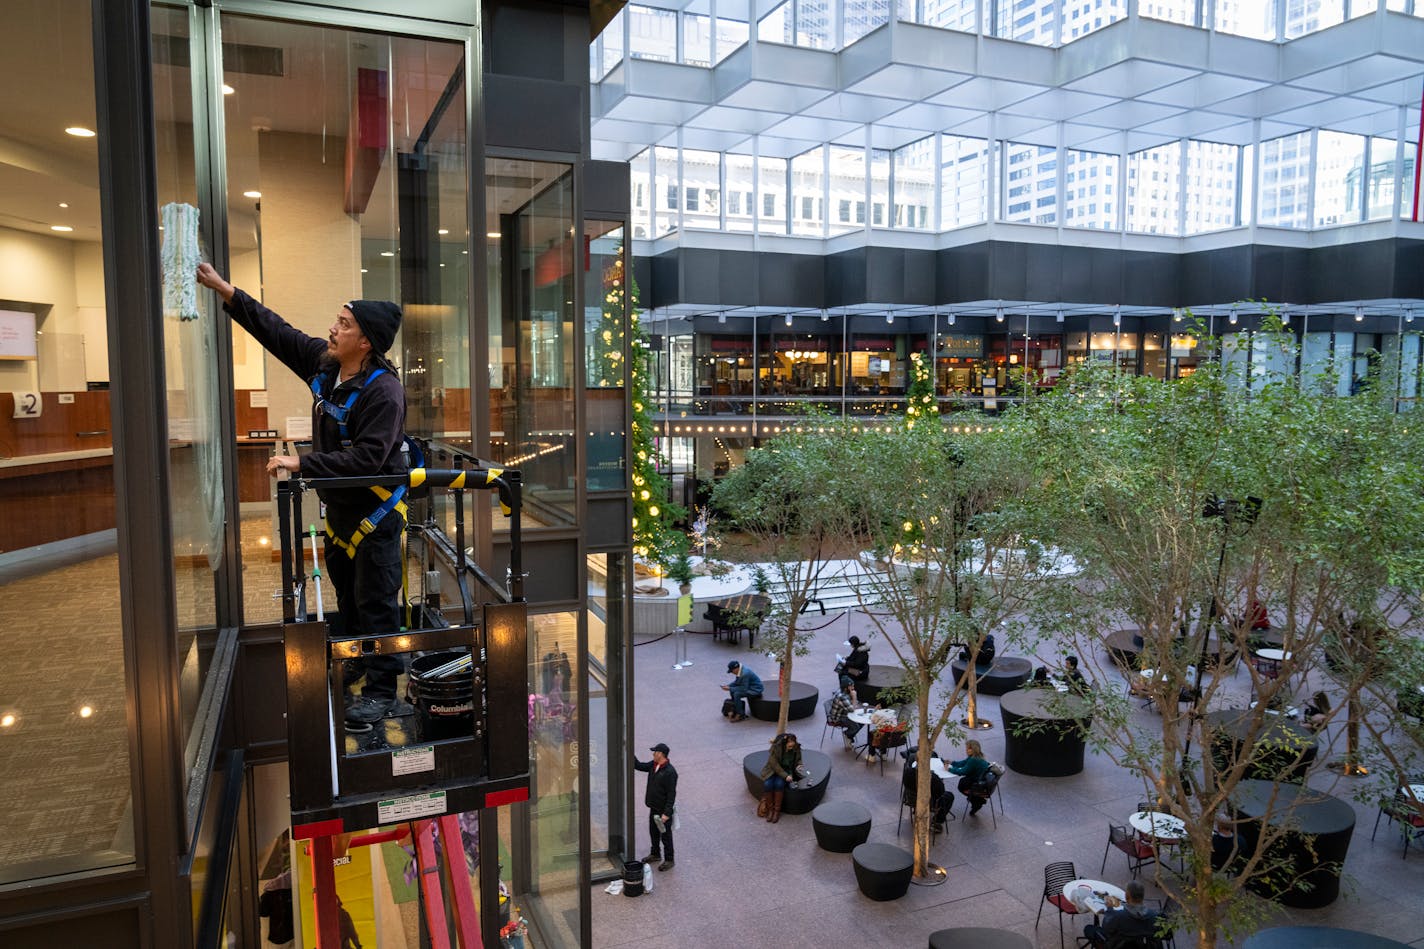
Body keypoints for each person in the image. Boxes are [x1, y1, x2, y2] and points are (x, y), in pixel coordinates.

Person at [196, 263, 408, 728]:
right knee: (350, 600)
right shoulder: (327, 367)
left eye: (344, 324)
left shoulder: (384, 393)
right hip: (343, 516)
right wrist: (225, 290)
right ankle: (358, 656)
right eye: (337, 320)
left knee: (376, 605)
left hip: (376, 517)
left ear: (366, 341)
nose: (332, 329)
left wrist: (302, 462)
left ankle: (383, 691)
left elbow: (368, 461)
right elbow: (277, 332)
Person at [632, 742, 677, 871]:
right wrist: (630, 752)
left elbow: (671, 795)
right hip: (654, 807)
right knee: (653, 832)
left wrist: (667, 814)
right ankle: (655, 854)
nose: (653, 754)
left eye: (655, 752)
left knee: (666, 836)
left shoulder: (670, 772)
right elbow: (639, 765)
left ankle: (669, 860)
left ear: (661, 754)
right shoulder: (654, 765)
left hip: (663, 811)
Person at [1083, 879, 1162, 949]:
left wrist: (1109, 909)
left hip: (1116, 945)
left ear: (1127, 896)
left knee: (1088, 929)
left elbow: (1106, 929)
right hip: (1140, 945)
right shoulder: (1154, 916)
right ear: (1142, 896)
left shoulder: (1119, 917)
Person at [902, 749, 954, 832]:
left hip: (910, 800)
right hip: (928, 803)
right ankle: (937, 822)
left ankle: (916, 809)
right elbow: (940, 793)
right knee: (949, 796)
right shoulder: (932, 778)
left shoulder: (907, 772)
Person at [758, 732, 804, 823]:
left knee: (779, 784)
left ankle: (776, 811)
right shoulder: (775, 748)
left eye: (793, 741)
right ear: (784, 743)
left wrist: (799, 765)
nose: (792, 744)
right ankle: (770, 810)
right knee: (768, 784)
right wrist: (785, 776)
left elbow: (798, 759)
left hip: (786, 771)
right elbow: (774, 765)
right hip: (772, 771)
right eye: (789, 742)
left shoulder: (796, 748)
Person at [947, 739, 992, 813]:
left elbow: (962, 771)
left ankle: (977, 801)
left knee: (961, 785)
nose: (967, 750)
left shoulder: (973, 760)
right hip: (980, 779)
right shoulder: (977, 756)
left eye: (969, 748)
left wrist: (950, 769)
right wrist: (952, 763)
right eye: (967, 748)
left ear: (974, 749)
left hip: (977, 782)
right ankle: (976, 800)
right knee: (963, 782)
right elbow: (964, 763)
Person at [827, 677, 862, 744]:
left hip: (843, 711)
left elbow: (852, 705)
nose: (853, 688)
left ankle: (850, 736)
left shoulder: (843, 691)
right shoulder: (842, 697)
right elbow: (852, 710)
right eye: (851, 686)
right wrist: (854, 697)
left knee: (862, 721)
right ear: (846, 688)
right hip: (838, 718)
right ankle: (847, 734)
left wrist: (853, 702)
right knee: (856, 727)